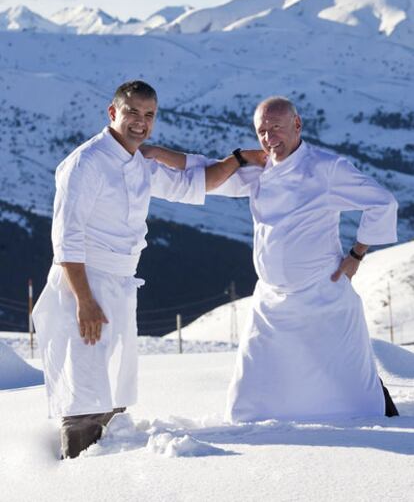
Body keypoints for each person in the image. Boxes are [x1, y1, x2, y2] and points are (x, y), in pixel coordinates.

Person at [33, 80, 264, 459]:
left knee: (114, 389)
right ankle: (75, 480)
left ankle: (108, 470)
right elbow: (67, 240)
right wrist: (84, 301)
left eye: (149, 115)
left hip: (120, 285)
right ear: (113, 113)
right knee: (84, 393)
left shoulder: (139, 163)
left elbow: (197, 183)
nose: (140, 122)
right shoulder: (86, 163)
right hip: (84, 285)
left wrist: (238, 159)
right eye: (132, 112)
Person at [145, 96, 399, 422]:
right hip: (271, 302)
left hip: (322, 295)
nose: (268, 138)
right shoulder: (259, 170)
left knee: (347, 385)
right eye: (262, 131)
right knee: (253, 393)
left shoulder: (326, 168)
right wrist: (154, 154)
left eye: (276, 128)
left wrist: (356, 254)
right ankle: (258, 432)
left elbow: (382, 202)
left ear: (297, 125)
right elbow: (204, 169)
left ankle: (379, 418)